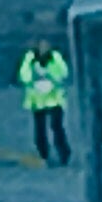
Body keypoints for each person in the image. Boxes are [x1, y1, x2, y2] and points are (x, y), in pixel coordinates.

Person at [18, 35, 73, 167]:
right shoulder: (30, 59)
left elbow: (63, 73)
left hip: (54, 99)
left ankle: (64, 154)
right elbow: (23, 76)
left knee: (57, 127)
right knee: (40, 129)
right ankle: (44, 154)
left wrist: (51, 78)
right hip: (37, 101)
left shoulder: (55, 57)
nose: (43, 48)